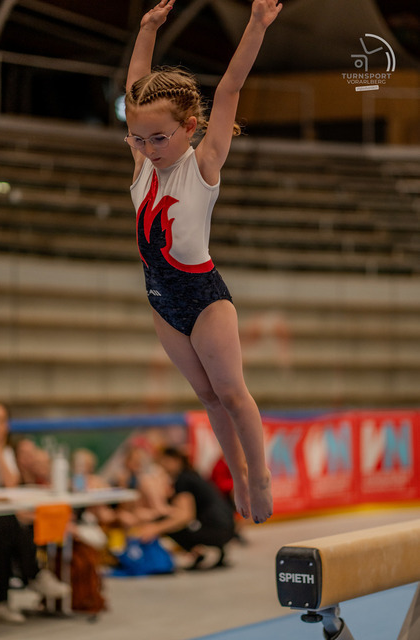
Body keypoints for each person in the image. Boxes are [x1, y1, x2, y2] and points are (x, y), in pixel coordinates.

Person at [124, 0, 283, 524]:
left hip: (205, 298)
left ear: (190, 127)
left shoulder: (203, 164)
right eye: (139, 138)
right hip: (162, 302)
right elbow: (135, 86)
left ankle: (258, 476)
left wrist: (256, 25)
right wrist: (147, 29)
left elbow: (230, 88)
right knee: (208, 398)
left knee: (232, 393)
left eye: (159, 138)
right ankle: (236, 473)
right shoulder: (143, 164)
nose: (149, 148)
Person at [0, 403, 70, 624]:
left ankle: (2, 601)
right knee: (8, 525)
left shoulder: (6, 452)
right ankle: (34, 574)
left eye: (1, 420)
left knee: (6, 530)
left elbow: (11, 484)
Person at [138, 448, 235, 570]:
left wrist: (155, 529)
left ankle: (197, 552)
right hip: (228, 527)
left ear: (175, 461)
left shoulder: (182, 480)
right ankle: (209, 552)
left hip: (215, 530)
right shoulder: (192, 475)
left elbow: (185, 516)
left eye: (163, 462)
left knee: (164, 522)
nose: (162, 466)